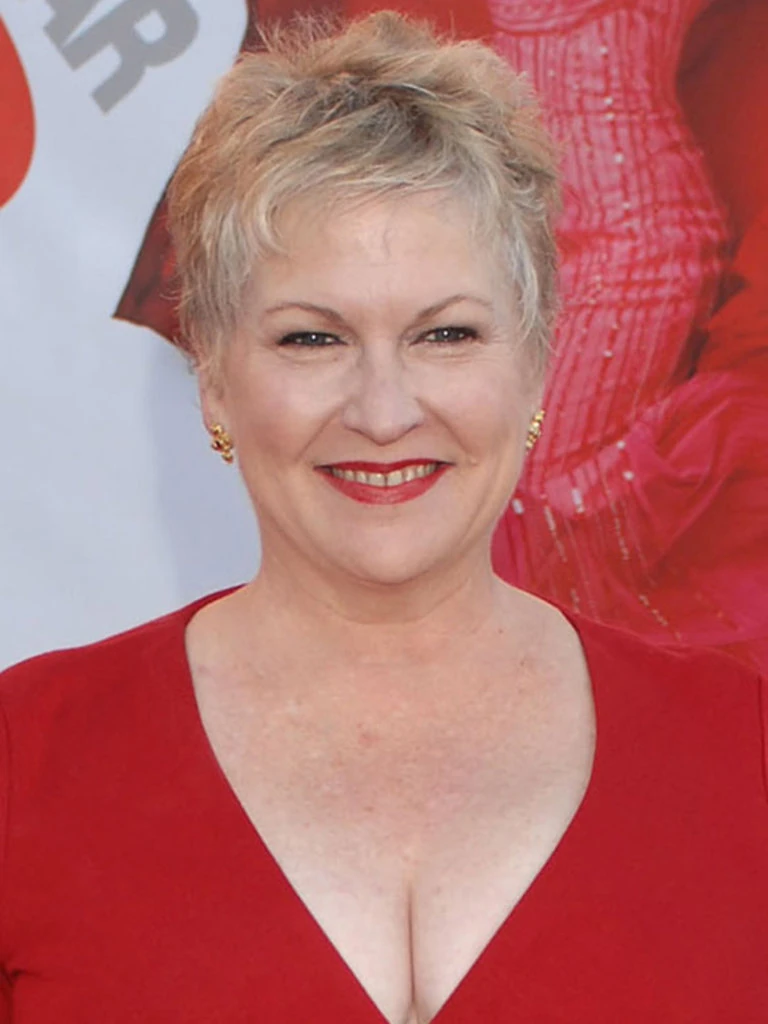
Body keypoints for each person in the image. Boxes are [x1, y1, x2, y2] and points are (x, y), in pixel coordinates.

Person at [2, 12, 767, 1023]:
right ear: (215, 379)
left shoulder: (743, 753)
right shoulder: (24, 761)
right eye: (312, 339)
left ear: (536, 364)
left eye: (445, 334)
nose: (384, 409)